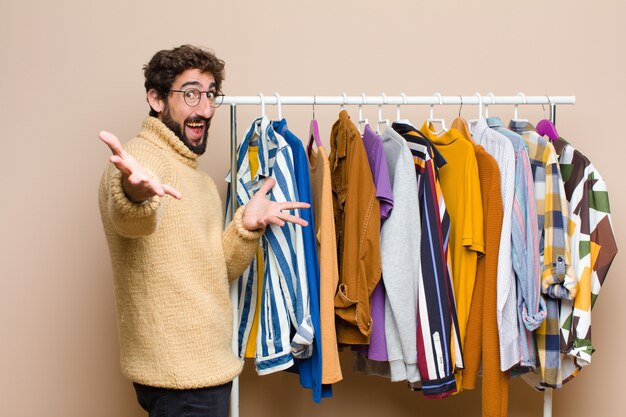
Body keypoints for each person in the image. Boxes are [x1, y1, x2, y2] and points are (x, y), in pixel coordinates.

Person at [98, 44, 309, 417]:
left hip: (207, 371)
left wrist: (245, 226)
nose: (206, 109)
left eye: (210, 94)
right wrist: (135, 193)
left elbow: (218, 270)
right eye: (191, 93)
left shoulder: (198, 180)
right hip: (179, 380)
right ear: (157, 98)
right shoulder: (140, 160)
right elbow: (129, 218)